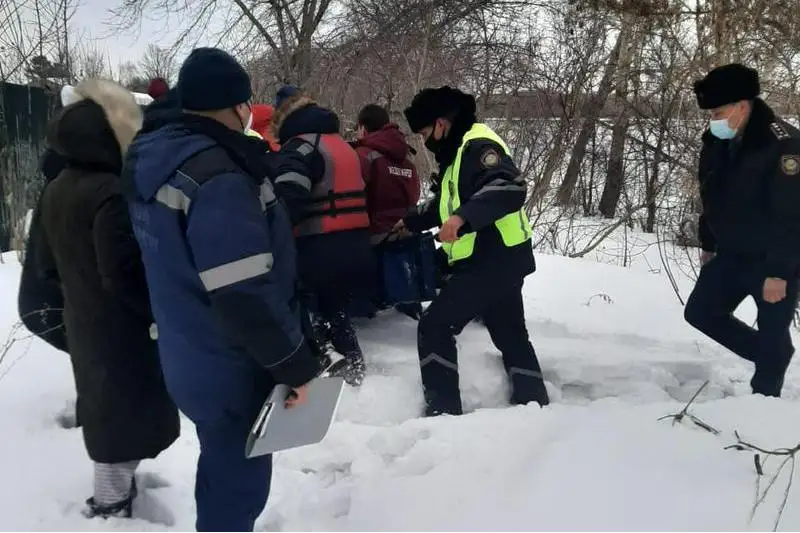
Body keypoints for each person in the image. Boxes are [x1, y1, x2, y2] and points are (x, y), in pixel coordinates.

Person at [123, 48, 321, 531]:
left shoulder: (156, 157)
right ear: (236, 106)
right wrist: (295, 364)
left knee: (221, 468)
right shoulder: (219, 177)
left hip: (188, 349)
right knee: (237, 488)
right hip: (231, 365)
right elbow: (242, 290)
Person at [36, 79, 180, 518]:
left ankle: (115, 496)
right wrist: (157, 311)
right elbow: (122, 271)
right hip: (121, 328)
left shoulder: (57, 187)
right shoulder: (110, 190)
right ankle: (111, 507)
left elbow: (45, 266)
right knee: (123, 417)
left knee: (108, 410)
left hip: (85, 319)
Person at [394, 86, 549, 417]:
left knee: (435, 326)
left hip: (490, 259)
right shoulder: (457, 154)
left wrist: (463, 219)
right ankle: (534, 404)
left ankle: (443, 413)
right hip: (503, 258)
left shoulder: (477, 145)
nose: (424, 141)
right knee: (510, 334)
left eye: (424, 133)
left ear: (441, 124)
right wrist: (410, 221)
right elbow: (447, 203)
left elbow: (508, 187)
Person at [684, 63, 800, 398]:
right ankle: (773, 354)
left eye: (718, 112)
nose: (713, 120)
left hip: (773, 260)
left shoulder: (784, 144)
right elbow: (710, 194)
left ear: (743, 106)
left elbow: (791, 214)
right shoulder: (717, 142)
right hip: (732, 253)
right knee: (701, 312)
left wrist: (779, 272)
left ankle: (761, 408)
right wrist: (708, 242)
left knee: (772, 333)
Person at [270, 87, 375, 386]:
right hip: (357, 243)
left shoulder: (300, 148)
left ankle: (328, 377)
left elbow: (289, 197)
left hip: (320, 246)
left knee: (311, 313)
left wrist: (271, 237)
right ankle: (354, 374)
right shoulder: (341, 145)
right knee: (335, 311)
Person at [353, 104, 421, 244]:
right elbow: (414, 197)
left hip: (374, 240)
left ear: (363, 128)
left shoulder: (362, 156)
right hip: (407, 236)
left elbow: (352, 196)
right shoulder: (407, 162)